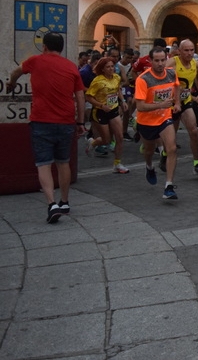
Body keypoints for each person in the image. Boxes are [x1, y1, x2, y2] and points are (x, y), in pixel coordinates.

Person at [7, 32, 85, 224]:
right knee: (63, 162)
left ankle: (52, 205)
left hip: (41, 121)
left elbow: (16, 72)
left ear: (44, 46)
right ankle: (65, 201)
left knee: (43, 164)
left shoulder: (35, 61)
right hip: (66, 122)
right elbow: (80, 97)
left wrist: (11, 83)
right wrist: (81, 122)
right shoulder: (71, 67)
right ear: (61, 48)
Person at [134, 47, 181, 199]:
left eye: (163, 60)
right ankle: (149, 166)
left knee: (172, 148)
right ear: (151, 61)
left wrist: (177, 102)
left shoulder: (172, 73)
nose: (160, 64)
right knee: (148, 151)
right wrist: (161, 104)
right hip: (146, 121)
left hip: (164, 118)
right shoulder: (143, 79)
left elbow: (177, 86)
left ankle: (168, 186)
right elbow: (140, 106)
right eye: (157, 61)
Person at [165, 39, 198, 177]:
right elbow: (161, 77)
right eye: (186, 50)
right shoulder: (173, 62)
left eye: (192, 50)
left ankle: (196, 164)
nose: (189, 53)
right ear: (179, 51)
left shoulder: (195, 64)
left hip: (186, 102)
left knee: (194, 131)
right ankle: (164, 154)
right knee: (171, 138)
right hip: (171, 104)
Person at [84, 57, 128, 174]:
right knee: (106, 140)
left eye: (112, 66)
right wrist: (101, 106)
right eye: (108, 67)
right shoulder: (98, 81)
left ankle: (117, 164)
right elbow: (88, 96)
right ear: (102, 69)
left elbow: (117, 89)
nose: (111, 69)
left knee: (119, 137)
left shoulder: (117, 77)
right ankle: (92, 142)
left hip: (113, 110)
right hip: (100, 112)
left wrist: (122, 101)